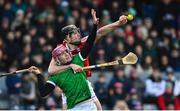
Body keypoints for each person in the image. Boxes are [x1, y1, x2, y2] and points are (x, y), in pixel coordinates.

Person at [48, 9, 128, 110]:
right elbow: (51, 70)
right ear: (67, 38)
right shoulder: (60, 51)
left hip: (83, 82)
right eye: (75, 33)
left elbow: (99, 33)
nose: (79, 35)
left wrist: (118, 23)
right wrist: (70, 66)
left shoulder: (83, 43)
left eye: (78, 32)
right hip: (68, 86)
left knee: (99, 109)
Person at [29, 13, 99, 110]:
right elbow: (43, 93)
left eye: (66, 52)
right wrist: (38, 75)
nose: (66, 54)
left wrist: (95, 25)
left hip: (88, 105)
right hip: (73, 108)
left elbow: (90, 41)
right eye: (62, 54)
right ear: (57, 60)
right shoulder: (56, 76)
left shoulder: (78, 59)